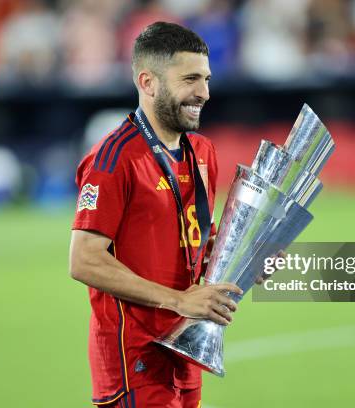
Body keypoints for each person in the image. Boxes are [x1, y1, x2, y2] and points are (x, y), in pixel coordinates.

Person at [69, 22, 242, 407]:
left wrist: (246, 255)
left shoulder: (202, 152)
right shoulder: (113, 160)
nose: (205, 93)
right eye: (191, 79)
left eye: (207, 79)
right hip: (135, 358)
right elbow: (83, 260)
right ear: (148, 83)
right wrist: (178, 301)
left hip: (187, 346)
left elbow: (199, 241)